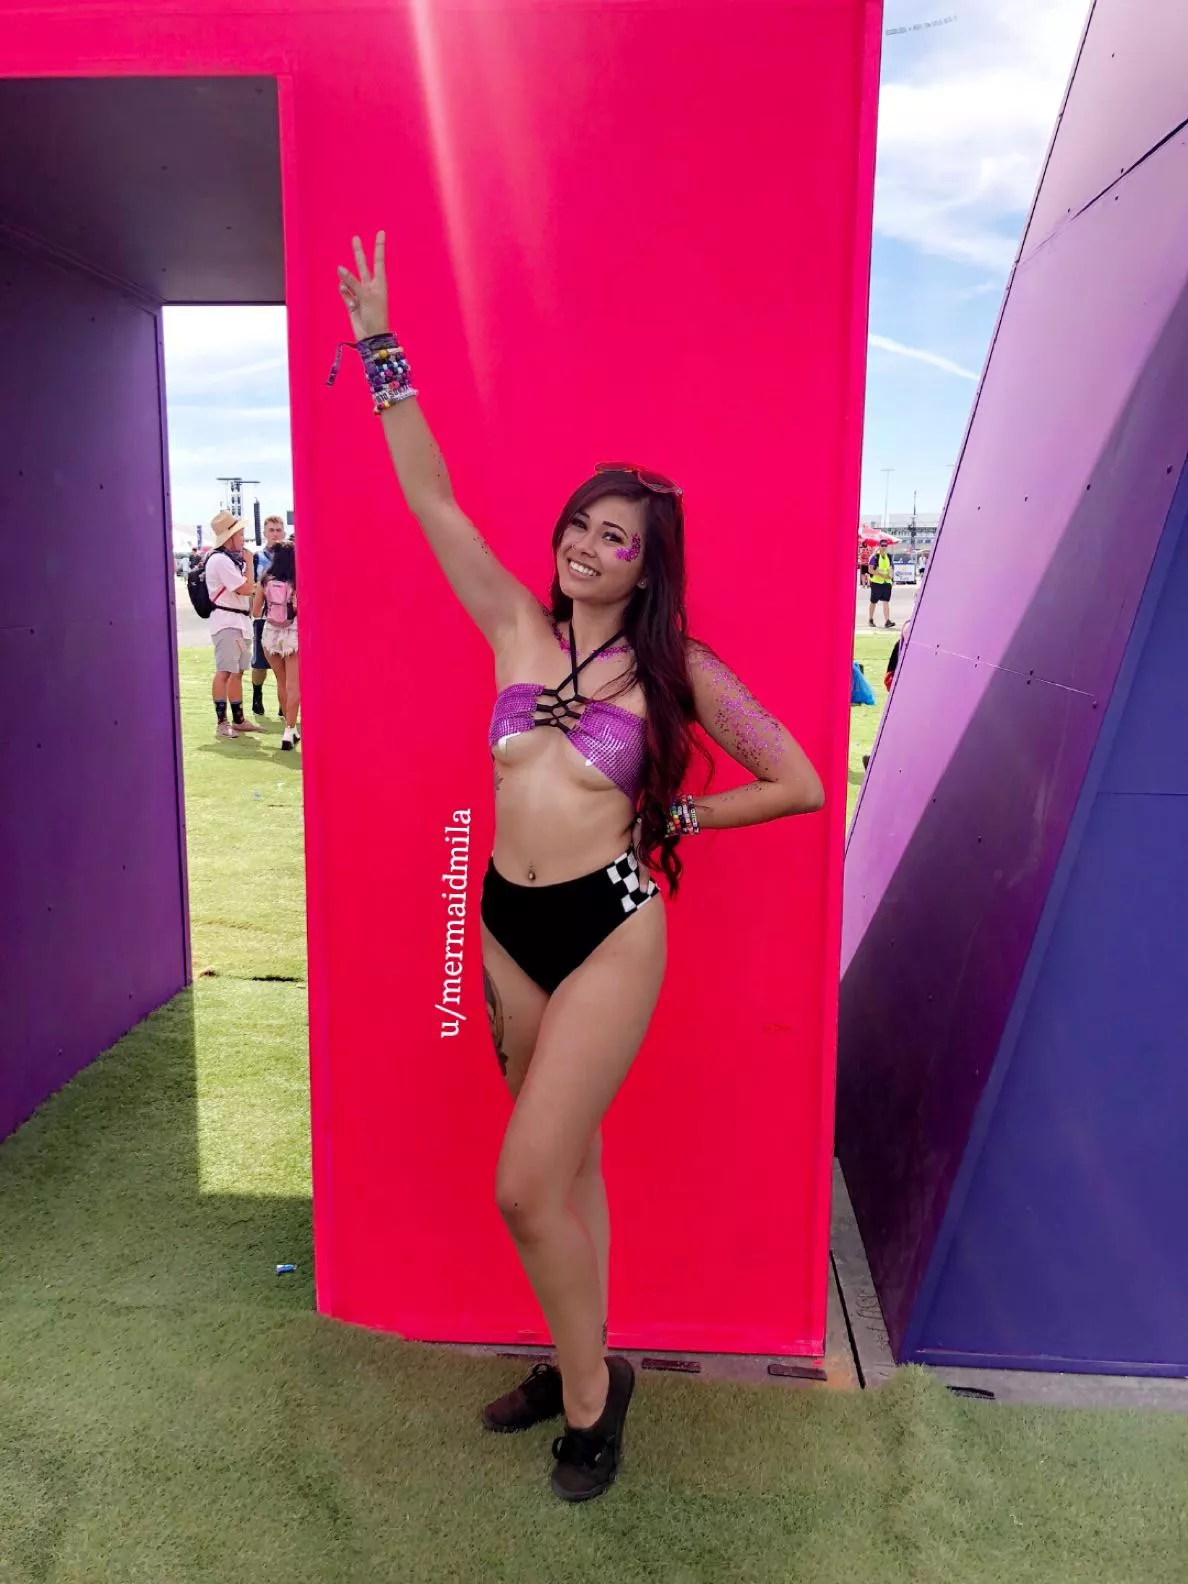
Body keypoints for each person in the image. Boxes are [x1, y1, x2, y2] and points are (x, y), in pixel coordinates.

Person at [336, 232, 825, 1503]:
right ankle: (578, 1356)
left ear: (646, 564)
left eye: (615, 538)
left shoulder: (679, 671)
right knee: (571, 1170)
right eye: (580, 524)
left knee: (523, 1185)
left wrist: (683, 821)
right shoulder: (513, 624)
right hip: (506, 922)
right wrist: (383, 348)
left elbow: (801, 781)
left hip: (610, 929)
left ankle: (595, 1406)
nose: (586, 545)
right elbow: (433, 499)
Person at [205, 510, 261, 739]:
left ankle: (238, 720)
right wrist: (250, 564)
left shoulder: (228, 560)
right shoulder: (220, 560)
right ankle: (222, 722)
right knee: (225, 671)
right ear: (230, 537)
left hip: (237, 621)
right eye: (240, 534)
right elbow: (245, 589)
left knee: (236, 672)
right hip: (227, 622)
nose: (243, 539)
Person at [253, 540, 301, 750]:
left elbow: (256, 612)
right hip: (293, 634)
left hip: (270, 635)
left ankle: (290, 729)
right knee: (293, 686)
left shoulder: (264, 581)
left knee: (281, 683)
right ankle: (289, 730)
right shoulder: (297, 581)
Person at [250, 515, 288, 717]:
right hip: (264, 619)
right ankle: (257, 693)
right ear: (264, 533)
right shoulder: (258, 557)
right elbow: (252, 585)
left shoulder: (292, 555)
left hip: (288, 620)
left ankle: (285, 704)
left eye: (278, 530)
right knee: (260, 664)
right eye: (271, 530)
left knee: (287, 664)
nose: (275, 534)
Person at [867, 545, 895, 629]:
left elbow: (891, 568)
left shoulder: (889, 556)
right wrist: (882, 575)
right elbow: (870, 570)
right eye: (882, 545)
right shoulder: (874, 557)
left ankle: (887, 621)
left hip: (887, 583)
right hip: (876, 582)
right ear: (879, 546)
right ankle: (870, 619)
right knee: (873, 602)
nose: (884, 547)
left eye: (885, 545)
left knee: (886, 601)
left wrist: (890, 576)